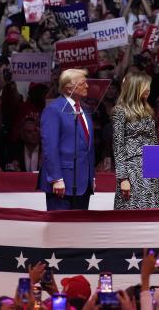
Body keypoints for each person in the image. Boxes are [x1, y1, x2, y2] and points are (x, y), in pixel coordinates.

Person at [38, 69, 95, 211]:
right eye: (83, 83)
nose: (87, 86)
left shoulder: (85, 110)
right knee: (60, 231)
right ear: (69, 87)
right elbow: (50, 146)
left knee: (80, 229)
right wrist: (56, 178)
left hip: (83, 182)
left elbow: (88, 146)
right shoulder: (54, 109)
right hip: (62, 182)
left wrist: (91, 176)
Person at [112, 72, 159, 210]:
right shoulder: (120, 111)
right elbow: (118, 146)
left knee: (153, 209)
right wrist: (123, 178)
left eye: (149, 86)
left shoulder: (148, 110)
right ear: (135, 87)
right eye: (145, 86)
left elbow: (154, 143)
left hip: (151, 169)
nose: (148, 89)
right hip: (132, 170)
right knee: (133, 209)